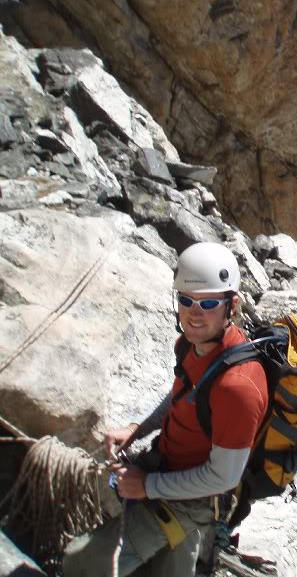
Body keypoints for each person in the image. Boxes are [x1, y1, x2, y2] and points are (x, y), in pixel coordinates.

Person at [63, 242, 269, 577]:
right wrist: (138, 428)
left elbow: (223, 477)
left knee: (83, 564)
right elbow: (183, 396)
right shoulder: (191, 345)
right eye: (186, 300)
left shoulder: (238, 387)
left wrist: (147, 486)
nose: (194, 313)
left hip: (194, 500)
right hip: (168, 471)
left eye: (208, 303)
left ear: (231, 306)